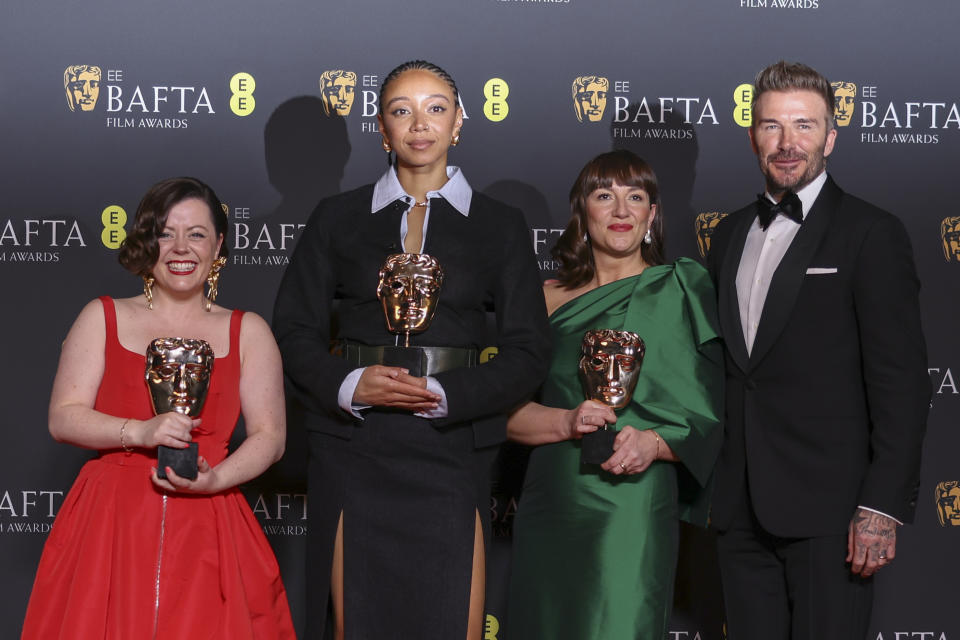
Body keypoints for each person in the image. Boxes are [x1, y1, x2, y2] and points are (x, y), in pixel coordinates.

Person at [272, 60, 550, 640]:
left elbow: (528, 350)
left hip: (452, 448)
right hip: (354, 446)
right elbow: (293, 331)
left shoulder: (500, 225)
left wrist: (448, 395)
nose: (419, 124)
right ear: (381, 128)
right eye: (402, 110)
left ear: (459, 122)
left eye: (435, 108)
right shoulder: (336, 217)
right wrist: (349, 384)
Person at [706, 61, 929, 640]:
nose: (787, 143)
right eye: (772, 126)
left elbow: (901, 381)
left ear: (830, 137)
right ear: (752, 135)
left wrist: (881, 506)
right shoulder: (728, 234)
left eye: (804, 126)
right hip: (739, 510)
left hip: (834, 514)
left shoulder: (871, 233)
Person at [21, 177, 296, 639]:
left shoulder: (248, 331)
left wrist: (215, 481)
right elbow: (64, 416)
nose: (180, 248)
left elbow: (271, 436)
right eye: (166, 233)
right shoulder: (102, 315)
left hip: (210, 514)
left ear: (219, 244)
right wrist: (140, 431)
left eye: (197, 234)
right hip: (111, 523)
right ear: (148, 241)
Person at [507, 150, 724, 640]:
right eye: (605, 196)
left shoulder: (682, 288)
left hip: (634, 501)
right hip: (552, 496)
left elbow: (710, 415)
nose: (621, 210)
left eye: (636, 197)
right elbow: (506, 415)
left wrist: (655, 443)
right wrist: (566, 422)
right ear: (583, 214)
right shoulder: (542, 298)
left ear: (652, 214)